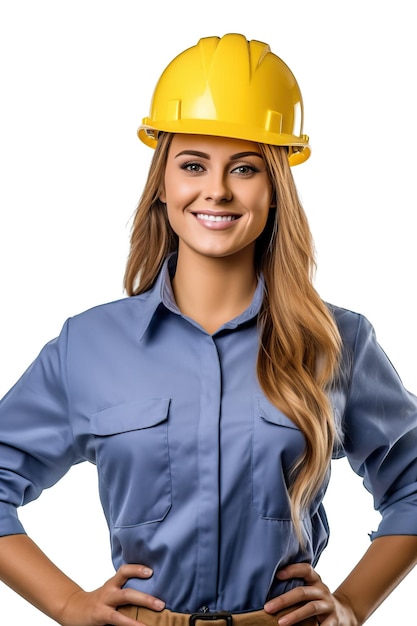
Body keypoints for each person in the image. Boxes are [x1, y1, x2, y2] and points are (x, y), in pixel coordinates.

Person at [0, 32, 416, 626]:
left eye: (244, 168)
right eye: (193, 165)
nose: (216, 190)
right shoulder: (88, 346)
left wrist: (353, 603)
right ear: (163, 184)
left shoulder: (338, 343)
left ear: (275, 188)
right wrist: (67, 603)